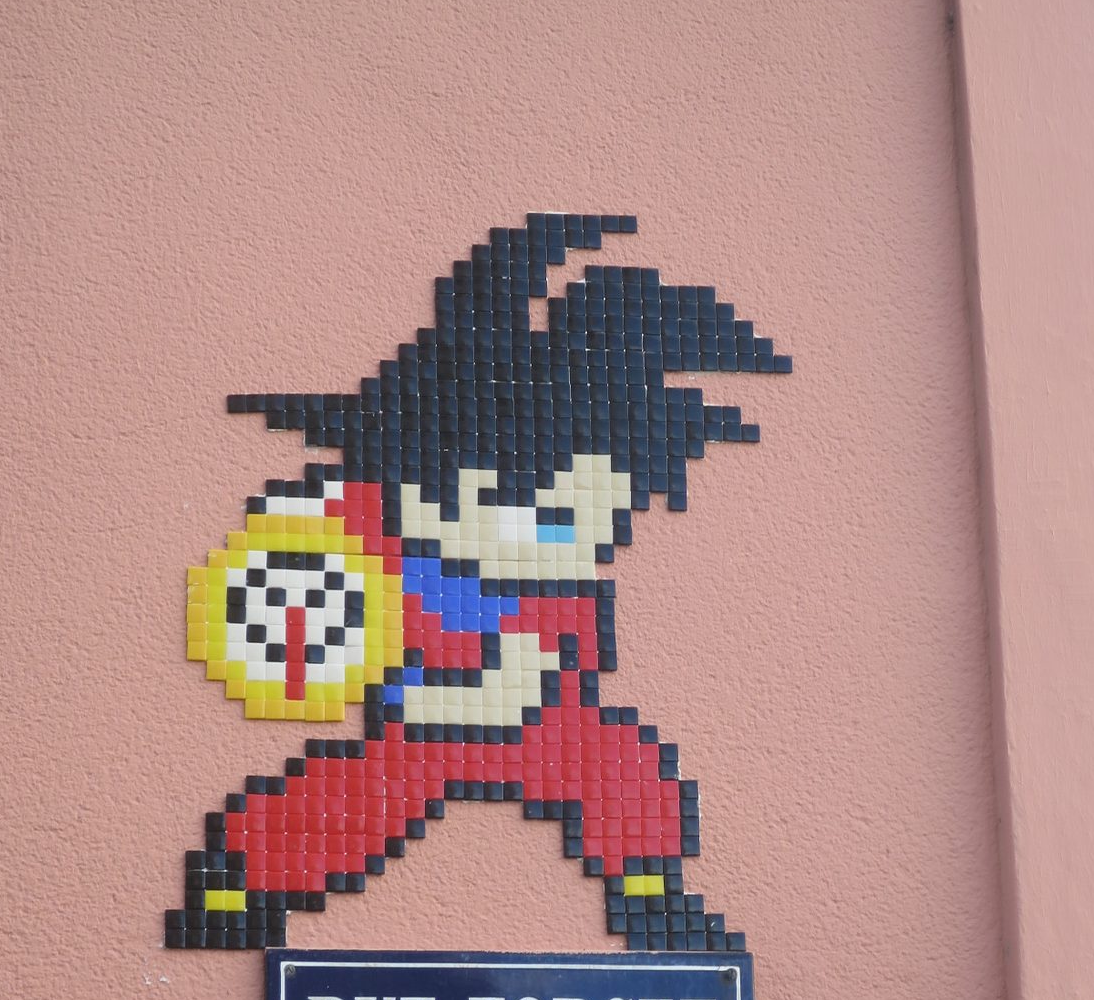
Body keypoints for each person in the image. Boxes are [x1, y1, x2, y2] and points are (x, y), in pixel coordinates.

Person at [167, 213, 790, 951]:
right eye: (497, 504)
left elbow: (574, 662)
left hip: (547, 733)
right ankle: (237, 881)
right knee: (347, 810)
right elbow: (333, 579)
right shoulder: (398, 570)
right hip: (423, 734)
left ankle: (652, 897)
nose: (533, 534)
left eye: (568, 521)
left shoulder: (560, 592)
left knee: (631, 774)